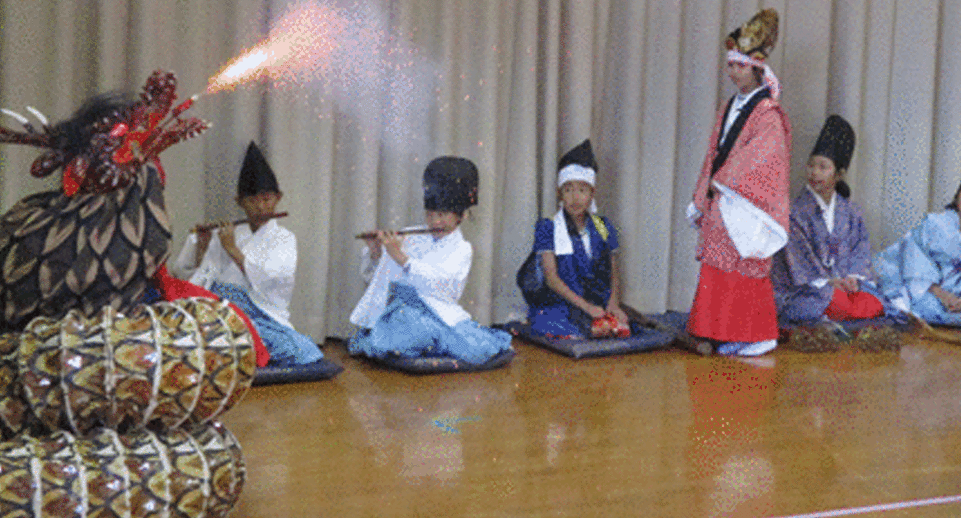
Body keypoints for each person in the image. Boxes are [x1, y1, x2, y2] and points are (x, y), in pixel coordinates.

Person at [686, 8, 792, 356]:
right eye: (730, 65)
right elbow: (714, 150)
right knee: (718, 257)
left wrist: (725, 182)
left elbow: (763, 157)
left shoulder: (768, 113)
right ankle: (718, 331)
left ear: (757, 66)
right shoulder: (729, 105)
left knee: (743, 262)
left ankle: (754, 334)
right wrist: (704, 190)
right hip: (724, 195)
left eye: (740, 65)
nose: (733, 72)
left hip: (745, 201)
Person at [348, 157, 512, 366]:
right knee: (398, 327)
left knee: (473, 347)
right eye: (430, 214)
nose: (435, 222)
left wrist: (401, 258)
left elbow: (446, 289)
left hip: (437, 314)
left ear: (459, 216)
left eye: (442, 215)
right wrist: (376, 253)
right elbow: (378, 279)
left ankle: (429, 342)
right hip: (401, 313)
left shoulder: (463, 249)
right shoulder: (408, 235)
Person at [174, 141, 323, 366]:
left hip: (261, 316)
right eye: (252, 200)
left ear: (278, 198)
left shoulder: (284, 238)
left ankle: (224, 350)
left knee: (301, 350)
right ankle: (225, 348)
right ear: (239, 203)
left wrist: (232, 250)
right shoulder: (227, 233)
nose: (261, 207)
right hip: (219, 309)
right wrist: (203, 245)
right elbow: (199, 276)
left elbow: (275, 279)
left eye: (266, 199)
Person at [874, 156, 961, 327]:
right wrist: (942, 295)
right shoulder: (934, 224)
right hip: (932, 291)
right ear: (957, 197)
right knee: (923, 304)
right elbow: (915, 261)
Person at [771, 115, 888, 325]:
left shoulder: (851, 211)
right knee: (837, 304)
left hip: (843, 286)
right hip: (805, 291)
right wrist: (829, 282)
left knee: (875, 302)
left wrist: (853, 277)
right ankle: (839, 315)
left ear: (839, 174)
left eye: (823, 167)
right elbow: (797, 262)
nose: (814, 173)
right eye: (811, 166)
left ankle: (840, 315)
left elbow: (860, 250)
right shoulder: (794, 212)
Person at [523, 139, 630, 339]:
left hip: (596, 300)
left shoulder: (602, 225)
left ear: (592, 193)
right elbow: (551, 279)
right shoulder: (548, 227)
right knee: (581, 328)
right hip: (562, 302)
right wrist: (587, 308)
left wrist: (613, 304)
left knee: (619, 326)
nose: (575, 197)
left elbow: (614, 271)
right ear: (560, 194)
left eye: (582, 190)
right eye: (568, 189)